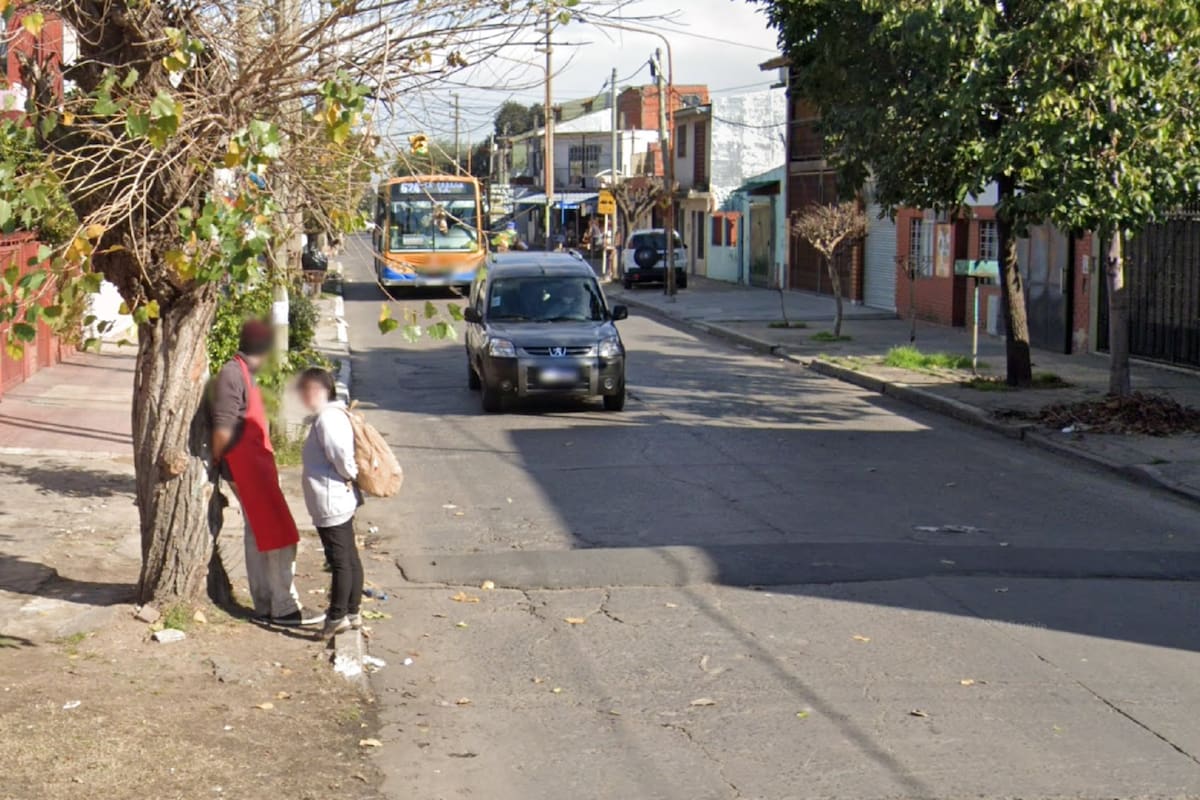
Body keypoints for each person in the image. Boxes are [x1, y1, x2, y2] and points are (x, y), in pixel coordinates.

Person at [211, 320, 324, 627]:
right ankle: (284, 607)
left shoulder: (243, 372)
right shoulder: (233, 374)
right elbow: (223, 426)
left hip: (254, 465)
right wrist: (218, 464)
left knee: (260, 535)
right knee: (278, 535)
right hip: (245, 467)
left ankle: (266, 603)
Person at [296, 367, 364, 639]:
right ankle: (352, 611)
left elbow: (340, 455)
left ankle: (337, 616)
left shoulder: (328, 418)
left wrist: (349, 475)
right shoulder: (334, 415)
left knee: (340, 560)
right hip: (336, 497)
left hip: (331, 498)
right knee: (348, 556)